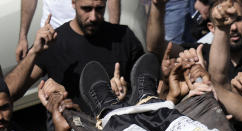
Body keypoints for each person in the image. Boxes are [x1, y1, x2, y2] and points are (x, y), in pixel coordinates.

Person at [5, 0, 145, 103]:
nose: (93, 17)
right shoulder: (55, 43)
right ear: (73, 3)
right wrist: (33, 52)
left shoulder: (123, 37)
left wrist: (126, 94)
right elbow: (9, 93)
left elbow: (148, 89)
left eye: (99, 9)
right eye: (86, 9)